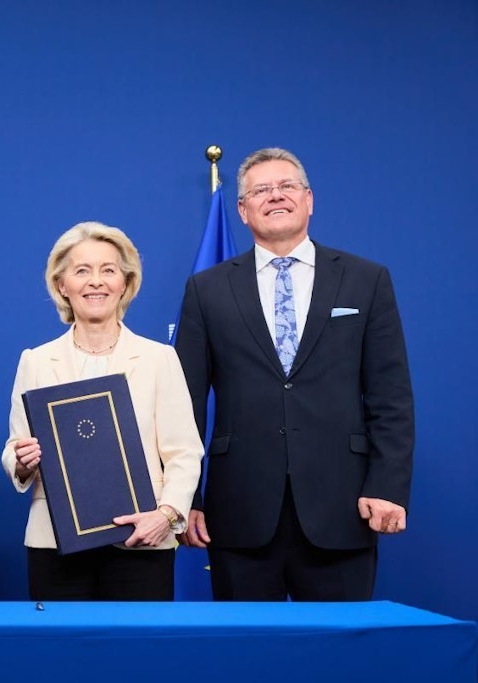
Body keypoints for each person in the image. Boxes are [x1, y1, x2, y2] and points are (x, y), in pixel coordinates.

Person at [174, 147, 414, 601]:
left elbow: (391, 396)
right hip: (239, 512)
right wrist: (186, 497)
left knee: (340, 663)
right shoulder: (206, 289)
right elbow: (183, 402)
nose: (275, 196)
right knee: (246, 662)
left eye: (287, 186)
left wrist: (388, 486)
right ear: (242, 210)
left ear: (309, 200)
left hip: (344, 508)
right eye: (261, 190)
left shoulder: (367, 280)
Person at [1, 221, 203, 600]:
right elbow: (16, 447)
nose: (96, 282)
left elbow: (184, 452)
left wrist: (167, 515)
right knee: (61, 657)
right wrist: (22, 460)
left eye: (108, 270)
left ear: (125, 283)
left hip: (142, 538)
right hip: (54, 542)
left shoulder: (160, 359)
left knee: (136, 658)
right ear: (63, 285)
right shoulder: (36, 361)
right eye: (82, 271)